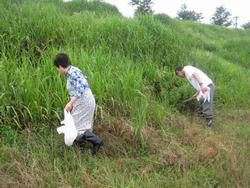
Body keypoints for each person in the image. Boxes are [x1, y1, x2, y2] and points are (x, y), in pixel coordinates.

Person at [54, 53, 103, 154]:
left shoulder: (72, 72)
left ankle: (97, 142)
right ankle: (81, 149)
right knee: (78, 125)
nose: (57, 70)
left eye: (57, 68)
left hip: (84, 101)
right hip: (82, 101)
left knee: (77, 126)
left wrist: (71, 103)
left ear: (60, 66)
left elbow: (82, 86)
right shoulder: (72, 71)